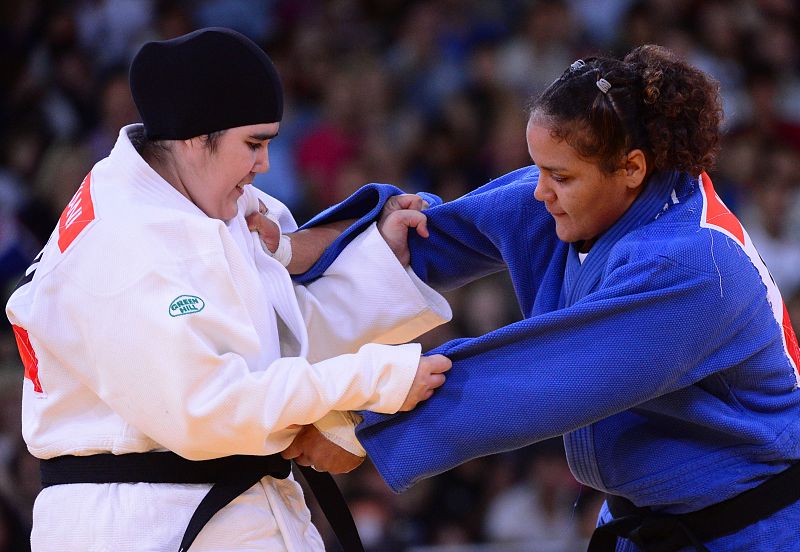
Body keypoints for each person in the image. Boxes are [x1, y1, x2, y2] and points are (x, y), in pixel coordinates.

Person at [291, 45, 800, 550]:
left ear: (632, 168)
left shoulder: (693, 264)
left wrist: (359, 420)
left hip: (751, 530)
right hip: (644, 523)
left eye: (559, 176)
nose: (539, 191)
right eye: (538, 169)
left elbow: (538, 377)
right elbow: (429, 236)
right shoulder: (577, 197)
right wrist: (287, 252)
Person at [5, 27, 453, 552]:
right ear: (197, 138)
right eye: (254, 143)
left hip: (231, 510)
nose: (264, 164)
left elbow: (277, 340)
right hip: (142, 523)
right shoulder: (123, 246)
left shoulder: (208, 203)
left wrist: (380, 261)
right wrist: (372, 379)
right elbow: (207, 410)